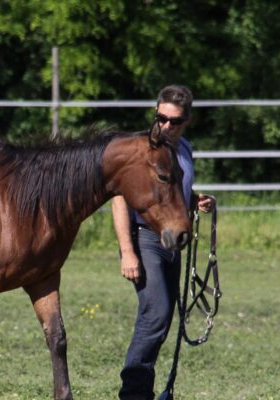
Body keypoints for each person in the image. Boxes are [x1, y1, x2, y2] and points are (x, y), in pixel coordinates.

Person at [112, 85, 213, 400]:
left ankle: (143, 389)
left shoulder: (184, 149)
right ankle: (133, 392)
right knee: (156, 311)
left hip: (171, 239)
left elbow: (169, 194)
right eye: (161, 118)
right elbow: (118, 199)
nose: (166, 126)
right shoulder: (140, 150)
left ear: (187, 121)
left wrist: (195, 201)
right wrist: (127, 252)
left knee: (164, 316)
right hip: (144, 238)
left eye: (175, 121)